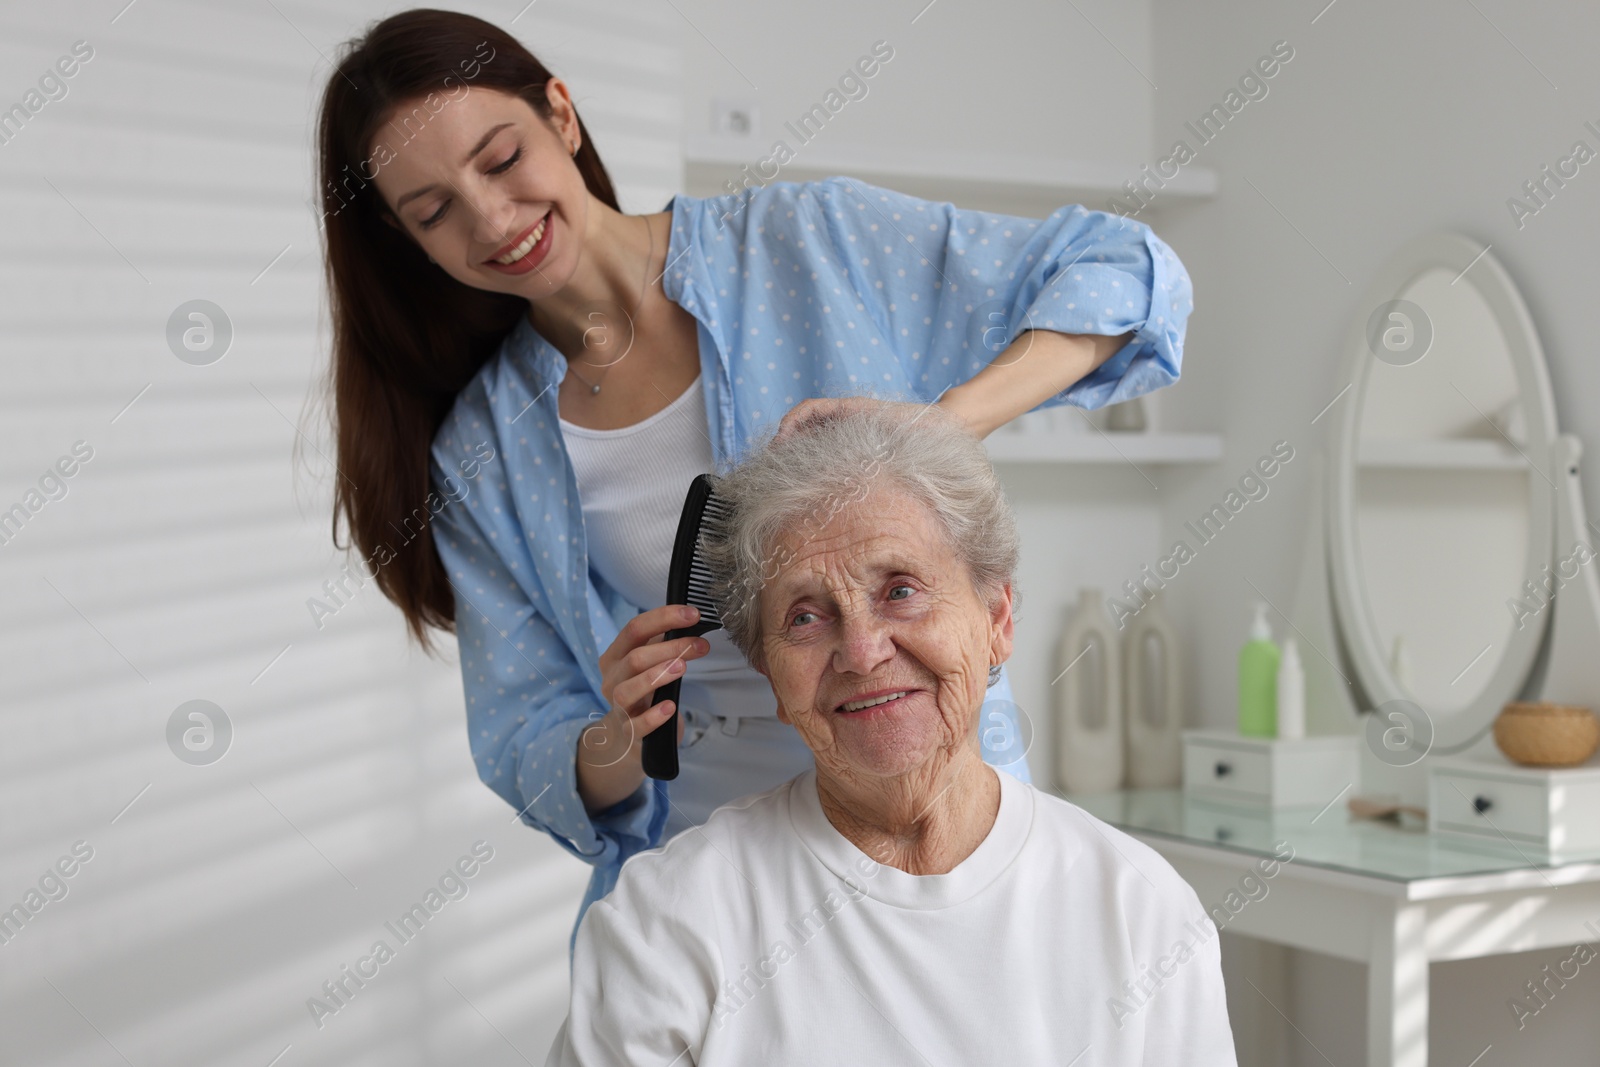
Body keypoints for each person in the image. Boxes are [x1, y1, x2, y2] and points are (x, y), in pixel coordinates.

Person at [315, 9, 1195, 946]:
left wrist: (944, 424)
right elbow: (523, 739)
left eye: (500, 159)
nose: (492, 219)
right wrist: (620, 728)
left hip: (934, 839)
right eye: (435, 211)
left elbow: (1125, 273)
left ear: (561, 116)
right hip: (710, 889)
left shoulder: (811, 243)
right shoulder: (482, 450)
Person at [545, 404, 1237, 1066]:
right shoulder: (667, 923)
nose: (863, 650)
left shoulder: (1141, 909)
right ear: (773, 680)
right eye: (806, 617)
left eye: (900, 589)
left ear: (997, 621)